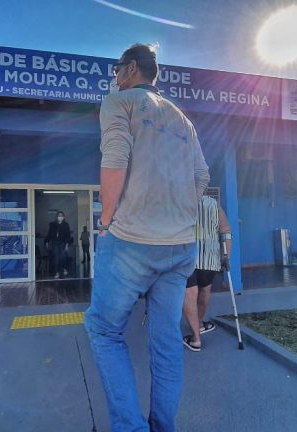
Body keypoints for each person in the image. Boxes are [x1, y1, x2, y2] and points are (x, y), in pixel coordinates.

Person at [83, 43, 210, 432]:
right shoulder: (183, 119)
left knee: (104, 330)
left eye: (117, 70)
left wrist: (107, 220)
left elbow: (115, 159)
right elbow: (202, 176)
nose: (115, 77)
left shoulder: (119, 102)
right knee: (166, 341)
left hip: (131, 242)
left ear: (130, 69)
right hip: (180, 247)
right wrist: (179, 215)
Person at [182, 196, 232, 352]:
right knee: (204, 290)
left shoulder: (179, 199)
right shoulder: (213, 204)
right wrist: (226, 256)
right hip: (209, 256)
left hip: (186, 254)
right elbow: (225, 231)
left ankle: (196, 338)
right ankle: (200, 323)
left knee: (189, 294)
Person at [45, 211, 71, 279]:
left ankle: (63, 271)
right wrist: (47, 242)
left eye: (61, 216)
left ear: (63, 217)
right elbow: (49, 234)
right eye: (59, 216)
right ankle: (56, 272)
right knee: (56, 258)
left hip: (63, 243)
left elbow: (68, 235)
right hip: (55, 243)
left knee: (62, 257)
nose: (60, 217)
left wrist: (67, 244)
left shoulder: (66, 225)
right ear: (56, 217)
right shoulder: (53, 225)